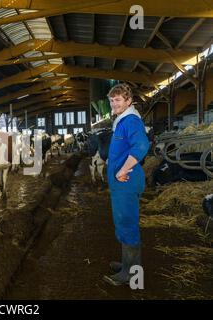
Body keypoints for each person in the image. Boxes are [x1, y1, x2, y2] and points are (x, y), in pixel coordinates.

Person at [103, 83, 150, 286]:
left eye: (118, 100)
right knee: (123, 223)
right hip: (121, 182)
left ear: (128, 101)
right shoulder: (121, 121)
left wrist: (122, 170)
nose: (114, 104)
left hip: (126, 181)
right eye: (112, 101)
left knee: (128, 224)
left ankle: (133, 275)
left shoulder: (131, 121)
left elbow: (141, 146)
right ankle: (126, 264)